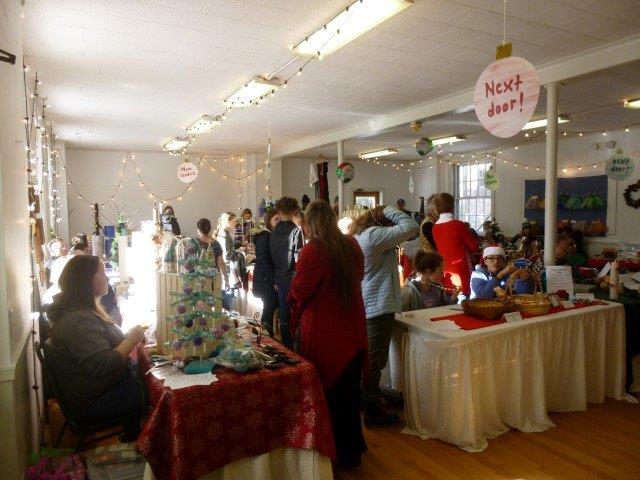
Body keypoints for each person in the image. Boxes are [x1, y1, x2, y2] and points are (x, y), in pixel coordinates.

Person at [289, 201, 368, 467]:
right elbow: (359, 275)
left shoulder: (313, 250)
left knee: (329, 394)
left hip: (325, 330)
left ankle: (331, 452)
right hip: (352, 325)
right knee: (349, 392)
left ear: (309, 224)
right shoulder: (351, 244)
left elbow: (300, 291)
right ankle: (352, 451)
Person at [45, 255, 146, 440]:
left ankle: (135, 436)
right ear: (85, 281)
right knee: (163, 389)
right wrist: (131, 339)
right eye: (102, 274)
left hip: (101, 389)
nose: (107, 278)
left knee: (152, 372)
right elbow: (104, 364)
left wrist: (128, 338)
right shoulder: (78, 320)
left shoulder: (82, 312)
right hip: (96, 400)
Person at [350, 205, 419, 427]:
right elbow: (411, 226)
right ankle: (372, 412)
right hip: (377, 306)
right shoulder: (374, 235)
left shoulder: (364, 234)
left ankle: (368, 400)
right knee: (374, 362)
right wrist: (388, 209)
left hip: (370, 303)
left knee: (370, 359)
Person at [269, 197, 304, 349]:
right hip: (292, 276)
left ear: (278, 211)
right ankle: (295, 348)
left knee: (284, 311)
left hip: (278, 276)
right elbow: (299, 257)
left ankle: (286, 345)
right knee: (296, 312)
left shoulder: (273, 231)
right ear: (294, 211)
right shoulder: (296, 230)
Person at [432, 193, 479, 300]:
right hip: (461, 269)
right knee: (464, 300)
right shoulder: (458, 225)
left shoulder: (434, 227)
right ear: (453, 207)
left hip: (444, 269)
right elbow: (474, 247)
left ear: (437, 208)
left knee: (449, 299)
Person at [252, 209, 279, 336]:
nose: (278, 222)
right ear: (269, 221)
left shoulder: (270, 235)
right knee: (269, 308)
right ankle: (267, 337)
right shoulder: (264, 236)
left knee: (270, 308)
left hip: (266, 278)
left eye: (280, 219)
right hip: (265, 280)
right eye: (276, 219)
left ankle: (267, 336)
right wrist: (274, 280)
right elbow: (264, 261)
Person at [188, 218, 229, 285]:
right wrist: (226, 278)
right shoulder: (216, 244)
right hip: (213, 276)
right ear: (210, 229)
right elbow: (221, 263)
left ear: (199, 230)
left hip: (198, 277)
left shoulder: (194, 242)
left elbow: (190, 261)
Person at [215, 212, 239, 310]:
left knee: (226, 294)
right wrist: (238, 253)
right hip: (227, 268)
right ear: (227, 222)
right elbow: (225, 256)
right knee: (228, 295)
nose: (235, 224)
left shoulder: (225, 232)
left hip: (227, 267)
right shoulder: (224, 234)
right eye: (233, 222)